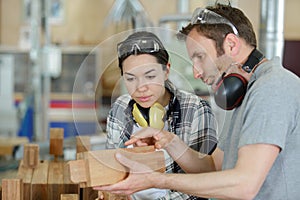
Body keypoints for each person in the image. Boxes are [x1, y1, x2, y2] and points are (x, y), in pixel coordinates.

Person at [94, 3, 300, 200]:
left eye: (200, 57)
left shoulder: (273, 87)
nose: (196, 72)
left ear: (231, 44)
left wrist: (157, 180)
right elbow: (213, 165)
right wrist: (169, 141)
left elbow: (244, 185)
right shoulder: (247, 93)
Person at [104, 31, 218, 200]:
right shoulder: (120, 108)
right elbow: (113, 170)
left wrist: (173, 145)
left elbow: (208, 176)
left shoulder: (195, 109)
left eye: (150, 76)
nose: (141, 87)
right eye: (130, 78)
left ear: (166, 71)